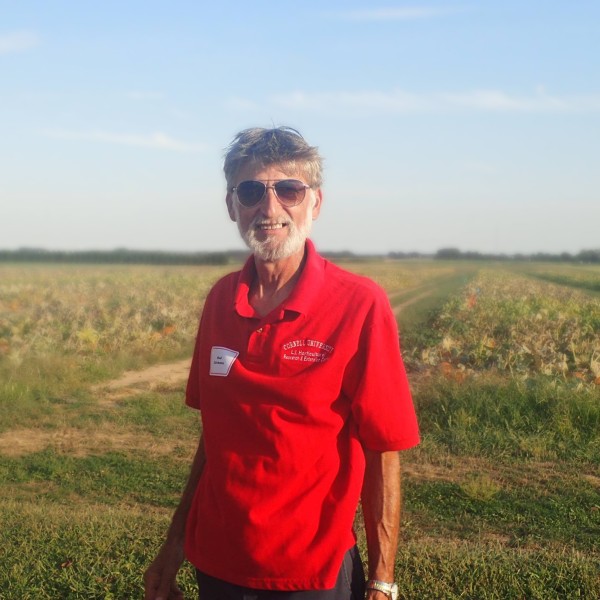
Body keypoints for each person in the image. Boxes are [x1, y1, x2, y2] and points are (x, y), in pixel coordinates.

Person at [144, 127, 419, 600]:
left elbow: (383, 448)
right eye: (251, 190)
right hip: (217, 559)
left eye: (288, 189)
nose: (269, 208)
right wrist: (174, 546)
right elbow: (214, 434)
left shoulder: (359, 304)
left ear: (315, 203)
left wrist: (382, 579)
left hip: (310, 571)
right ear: (232, 206)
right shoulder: (220, 300)